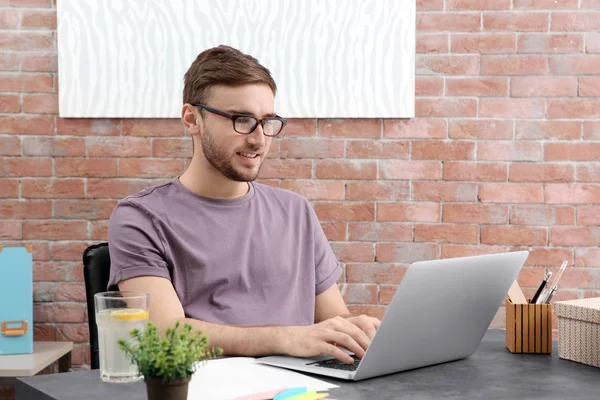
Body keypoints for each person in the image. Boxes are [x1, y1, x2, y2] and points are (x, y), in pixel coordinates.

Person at [107, 45, 380, 364]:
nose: (259, 139)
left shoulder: (296, 211)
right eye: (242, 120)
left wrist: (363, 330)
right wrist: (286, 338)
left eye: (267, 122)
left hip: (303, 389)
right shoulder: (140, 218)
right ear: (192, 119)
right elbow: (167, 332)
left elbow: (334, 318)